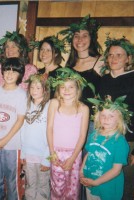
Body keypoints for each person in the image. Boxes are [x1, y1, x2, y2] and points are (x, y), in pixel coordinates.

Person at [99, 36, 134, 200]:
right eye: (111, 55)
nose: (114, 58)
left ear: (129, 58)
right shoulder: (104, 80)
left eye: (119, 55)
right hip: (106, 141)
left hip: (129, 142)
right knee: (106, 186)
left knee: (125, 188)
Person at [0, 57, 27, 200]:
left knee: (12, 181)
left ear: (19, 75)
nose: (9, 74)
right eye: (7, 70)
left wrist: (4, 140)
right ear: (2, 72)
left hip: (12, 146)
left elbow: (20, 120)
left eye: (14, 71)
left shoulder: (21, 94)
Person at [47, 67, 90, 200]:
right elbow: (49, 128)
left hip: (74, 154)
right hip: (56, 153)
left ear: (77, 89)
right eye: (63, 87)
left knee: (72, 190)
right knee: (56, 187)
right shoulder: (54, 103)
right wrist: (52, 152)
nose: (66, 90)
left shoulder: (83, 108)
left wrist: (72, 159)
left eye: (71, 87)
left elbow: (83, 136)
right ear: (58, 89)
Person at [80, 95, 130, 200]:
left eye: (111, 116)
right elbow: (89, 154)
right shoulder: (94, 134)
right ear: (98, 117)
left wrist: (96, 182)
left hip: (108, 187)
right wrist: (81, 171)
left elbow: (116, 170)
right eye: (103, 115)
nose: (106, 119)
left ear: (119, 119)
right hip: (90, 181)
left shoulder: (119, 141)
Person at [20, 73, 51, 200]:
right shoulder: (26, 105)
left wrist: (47, 158)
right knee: (30, 185)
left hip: (43, 155)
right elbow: (22, 130)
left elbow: (51, 133)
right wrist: (22, 153)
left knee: (42, 186)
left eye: (38, 88)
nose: (34, 90)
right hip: (28, 155)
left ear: (45, 89)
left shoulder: (50, 106)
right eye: (32, 87)